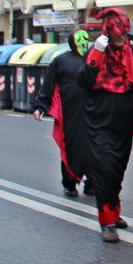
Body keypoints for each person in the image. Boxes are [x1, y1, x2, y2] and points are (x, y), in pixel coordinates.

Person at [79, 8, 133, 243]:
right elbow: (84, 80)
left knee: (118, 166)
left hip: (124, 115)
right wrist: (96, 54)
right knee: (104, 167)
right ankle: (107, 222)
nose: (122, 37)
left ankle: (114, 211)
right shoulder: (97, 49)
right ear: (109, 30)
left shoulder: (130, 50)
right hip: (99, 116)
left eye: (124, 32)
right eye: (118, 32)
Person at [33, 30, 93, 198]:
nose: (83, 44)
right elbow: (48, 86)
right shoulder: (60, 61)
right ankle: (70, 183)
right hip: (70, 111)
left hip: (93, 111)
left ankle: (93, 183)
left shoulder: (94, 58)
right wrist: (41, 106)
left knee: (95, 148)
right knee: (72, 148)